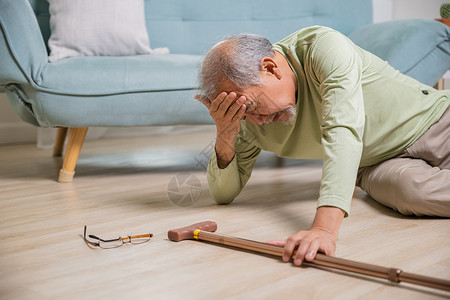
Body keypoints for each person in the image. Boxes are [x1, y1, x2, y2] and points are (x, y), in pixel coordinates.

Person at [194, 26, 450, 266]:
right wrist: (225, 134)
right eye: (239, 112)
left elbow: (343, 132)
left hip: (436, 121)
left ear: (270, 68)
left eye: (250, 107)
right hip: (377, 163)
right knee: (411, 193)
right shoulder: (248, 120)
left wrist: (324, 230)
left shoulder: (323, 47)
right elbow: (223, 194)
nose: (256, 120)